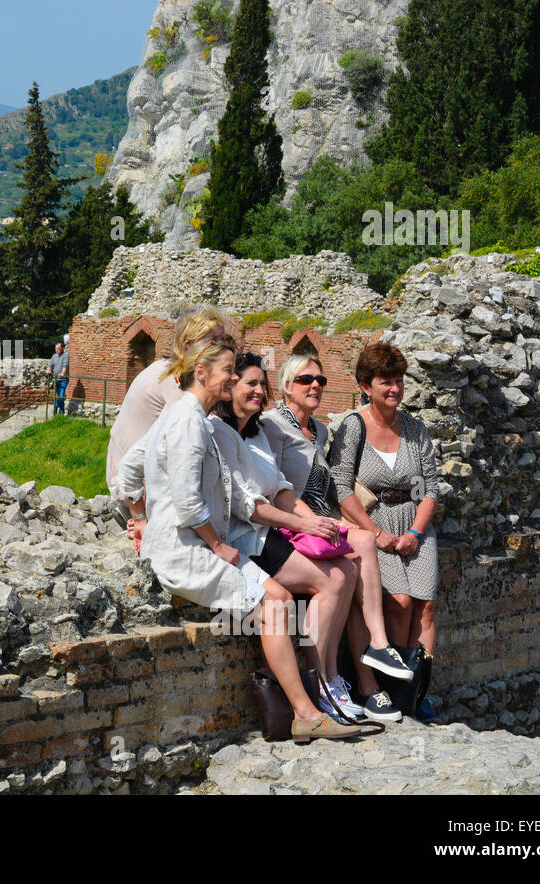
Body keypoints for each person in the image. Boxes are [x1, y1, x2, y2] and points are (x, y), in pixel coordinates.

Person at [120, 338, 360, 742]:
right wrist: (151, 522)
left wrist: (142, 515)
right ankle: (305, 710)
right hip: (186, 551)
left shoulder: (195, 417)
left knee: (282, 599)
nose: (234, 378)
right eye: (229, 371)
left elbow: (130, 471)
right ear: (202, 373)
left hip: (206, 541)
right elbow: (185, 500)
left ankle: (308, 706)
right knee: (274, 604)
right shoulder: (190, 421)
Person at [260, 353, 414, 722]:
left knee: (359, 550)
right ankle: (338, 675)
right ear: (285, 387)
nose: (315, 385)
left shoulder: (322, 430)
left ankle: (369, 655)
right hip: (289, 528)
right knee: (355, 555)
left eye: (320, 380)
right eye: (304, 380)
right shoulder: (272, 425)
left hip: (318, 525)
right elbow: (272, 488)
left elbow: (331, 488)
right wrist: (313, 522)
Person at [211, 352, 361, 724]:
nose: (259, 390)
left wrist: (316, 522)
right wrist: (305, 526)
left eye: (262, 383)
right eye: (251, 383)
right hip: (244, 539)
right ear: (230, 388)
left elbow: (279, 489)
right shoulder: (219, 431)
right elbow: (246, 505)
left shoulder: (257, 431)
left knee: (347, 568)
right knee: (332, 580)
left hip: (269, 531)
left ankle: (330, 677)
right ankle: (321, 682)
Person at [328, 342, 440, 715]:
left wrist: (416, 533)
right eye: (385, 382)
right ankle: (388, 687)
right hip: (371, 523)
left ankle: (415, 693)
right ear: (365, 385)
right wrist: (376, 533)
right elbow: (341, 488)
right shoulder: (353, 426)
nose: (394, 389)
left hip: (414, 525)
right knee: (399, 603)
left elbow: (428, 489)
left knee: (423, 608)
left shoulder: (414, 429)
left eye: (398, 381)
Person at [108, 304, 230, 544]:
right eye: (212, 341)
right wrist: (141, 515)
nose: (221, 347)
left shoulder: (171, 372)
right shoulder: (174, 380)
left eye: (222, 340)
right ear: (188, 346)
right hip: (130, 483)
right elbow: (182, 438)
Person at [49, 341, 70, 415]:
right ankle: (61, 413)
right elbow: (50, 365)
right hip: (56, 379)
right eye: (56, 348)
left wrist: (63, 373)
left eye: (58, 348)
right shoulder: (54, 356)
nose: (56, 350)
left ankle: (56, 406)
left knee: (61, 396)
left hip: (64, 379)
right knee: (58, 396)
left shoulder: (65, 355)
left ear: (62, 348)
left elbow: (65, 365)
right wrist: (49, 369)